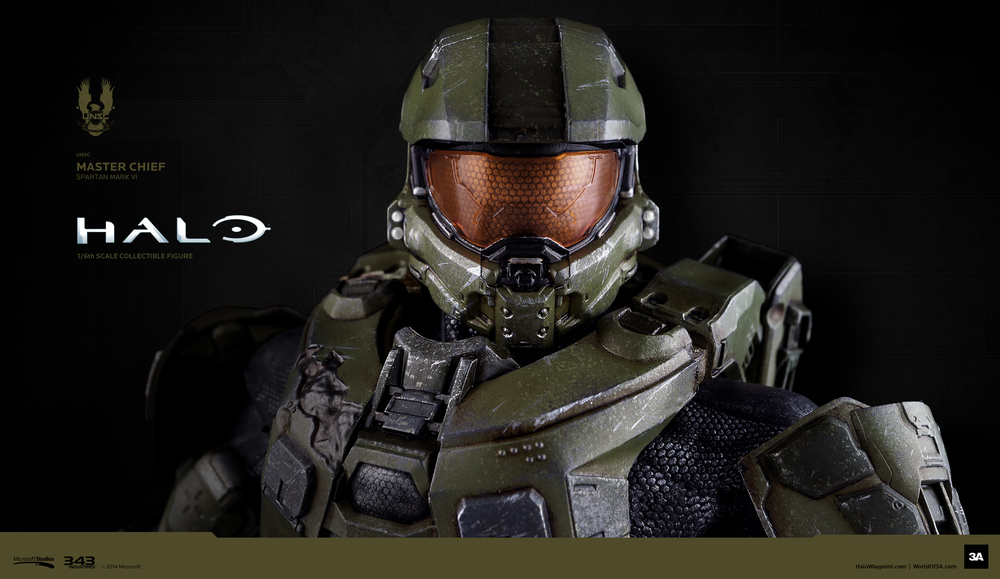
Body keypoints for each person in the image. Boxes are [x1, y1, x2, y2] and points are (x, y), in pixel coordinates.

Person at [147, 17, 968, 538]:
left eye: (560, 194)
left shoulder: (742, 443)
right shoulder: (293, 367)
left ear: (631, 202)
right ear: (416, 200)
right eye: (485, 194)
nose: (524, 243)